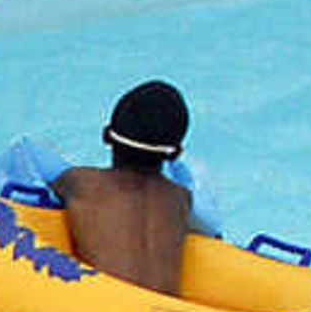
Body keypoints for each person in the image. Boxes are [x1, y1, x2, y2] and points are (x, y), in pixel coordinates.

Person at [50, 79, 201, 298]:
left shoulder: (81, 182)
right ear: (175, 154)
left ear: (106, 135)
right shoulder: (181, 199)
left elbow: (37, 191)